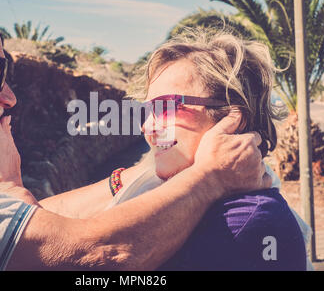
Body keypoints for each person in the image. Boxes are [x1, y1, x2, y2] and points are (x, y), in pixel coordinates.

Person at [0, 0, 270, 270]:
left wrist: (136, 178)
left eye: (166, 106)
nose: (9, 97)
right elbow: (90, 254)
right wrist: (211, 178)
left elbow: (37, 222)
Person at [104, 31, 308, 270]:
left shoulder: (242, 221)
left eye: (166, 108)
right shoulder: (190, 203)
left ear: (233, 118)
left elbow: (101, 257)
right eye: (148, 110)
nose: (146, 126)